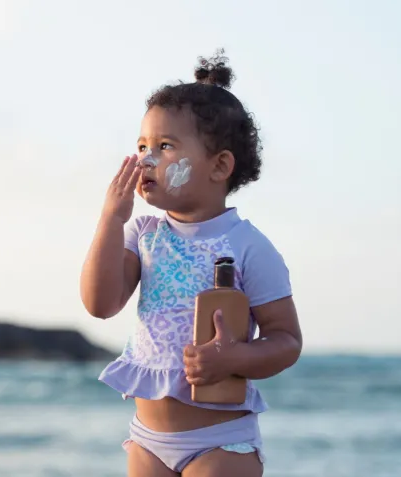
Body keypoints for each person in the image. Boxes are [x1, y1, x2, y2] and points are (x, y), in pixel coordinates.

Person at [79, 50, 302, 477]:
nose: (145, 159)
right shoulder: (142, 234)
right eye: (142, 146)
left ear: (219, 166)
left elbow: (286, 340)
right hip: (147, 441)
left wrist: (233, 357)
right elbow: (100, 303)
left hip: (220, 443)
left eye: (164, 147)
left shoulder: (249, 246)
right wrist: (111, 219)